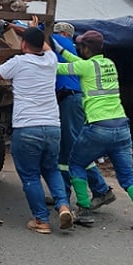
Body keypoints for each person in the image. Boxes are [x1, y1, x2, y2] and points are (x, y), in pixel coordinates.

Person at [54, 30, 133, 234]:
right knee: (127, 177)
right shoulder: (109, 64)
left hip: (98, 129)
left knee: (76, 164)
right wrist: (57, 47)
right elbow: (76, 60)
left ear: (87, 49)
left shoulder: (85, 66)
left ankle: (83, 210)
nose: (79, 49)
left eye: (81, 46)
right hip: (122, 129)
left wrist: (43, 54)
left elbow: (56, 67)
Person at [0, 27, 73, 234]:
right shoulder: (51, 61)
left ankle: (41, 220)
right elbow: (46, 46)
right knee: (51, 169)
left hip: (27, 128)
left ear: (23, 44)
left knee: (31, 175)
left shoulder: (18, 63)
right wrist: (31, 30)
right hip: (52, 127)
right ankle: (63, 206)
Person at [52, 22, 115, 211]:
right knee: (65, 150)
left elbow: (39, 33)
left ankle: (101, 189)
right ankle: (62, 195)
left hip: (71, 100)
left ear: (63, 34)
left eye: (56, 32)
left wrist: (11, 24)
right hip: (70, 101)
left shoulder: (60, 40)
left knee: (73, 149)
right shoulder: (69, 48)